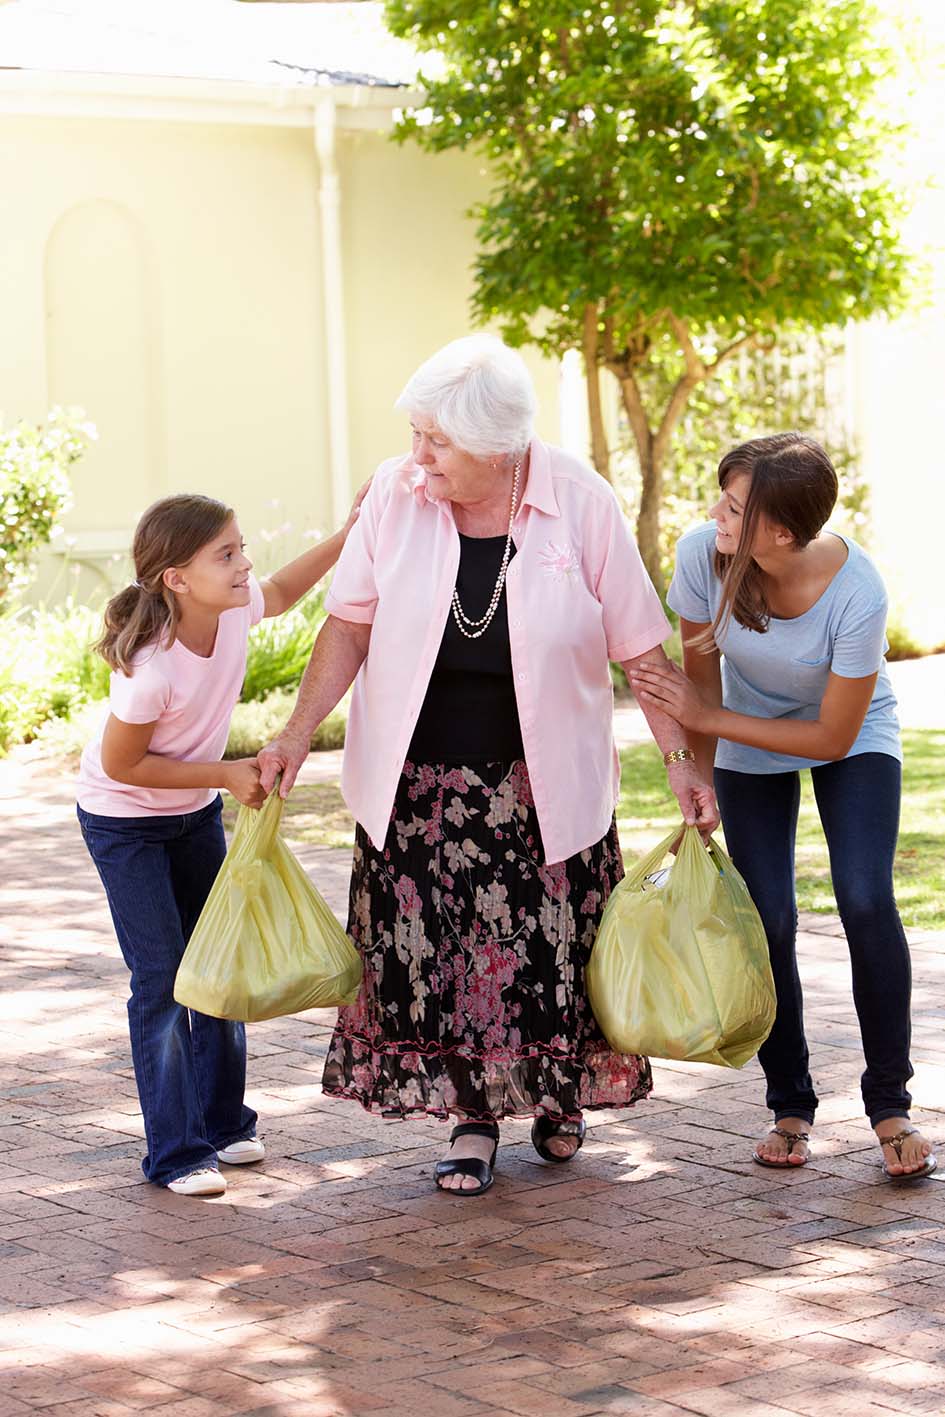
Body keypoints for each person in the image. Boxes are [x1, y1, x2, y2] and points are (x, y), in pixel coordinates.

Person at [258, 334, 718, 1196]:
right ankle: (471, 1118)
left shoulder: (578, 500)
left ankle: (556, 1092)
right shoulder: (396, 496)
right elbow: (348, 625)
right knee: (443, 962)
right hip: (416, 785)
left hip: (542, 785)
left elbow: (640, 649)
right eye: (416, 434)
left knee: (546, 956)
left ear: (497, 445)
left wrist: (682, 764)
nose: (417, 455)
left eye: (437, 440)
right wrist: (292, 733)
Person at [629, 433, 936, 1181]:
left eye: (735, 509)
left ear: (783, 532)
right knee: (766, 915)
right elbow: (701, 680)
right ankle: (790, 1105)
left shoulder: (857, 592)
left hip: (850, 735)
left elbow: (831, 736)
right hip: (745, 737)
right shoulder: (703, 555)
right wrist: (697, 781)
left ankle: (889, 1104)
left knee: (864, 897)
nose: (715, 514)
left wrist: (709, 721)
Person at [77, 488, 366, 1196]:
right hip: (125, 823)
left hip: (193, 815)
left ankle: (224, 1123)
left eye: (241, 549)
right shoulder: (151, 665)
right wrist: (227, 773)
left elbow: (284, 591)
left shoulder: (234, 611)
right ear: (177, 578)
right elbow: (123, 765)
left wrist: (348, 533)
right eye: (226, 554)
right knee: (162, 978)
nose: (245, 565)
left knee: (220, 958)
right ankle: (176, 1153)